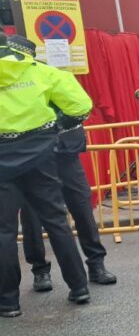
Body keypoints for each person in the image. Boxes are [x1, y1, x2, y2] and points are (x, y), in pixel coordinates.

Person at [1, 34, 95, 317]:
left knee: (3, 231)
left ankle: (8, 302)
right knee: (56, 220)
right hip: (41, 152)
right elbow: (81, 106)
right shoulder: (41, 71)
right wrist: (57, 126)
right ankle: (79, 287)